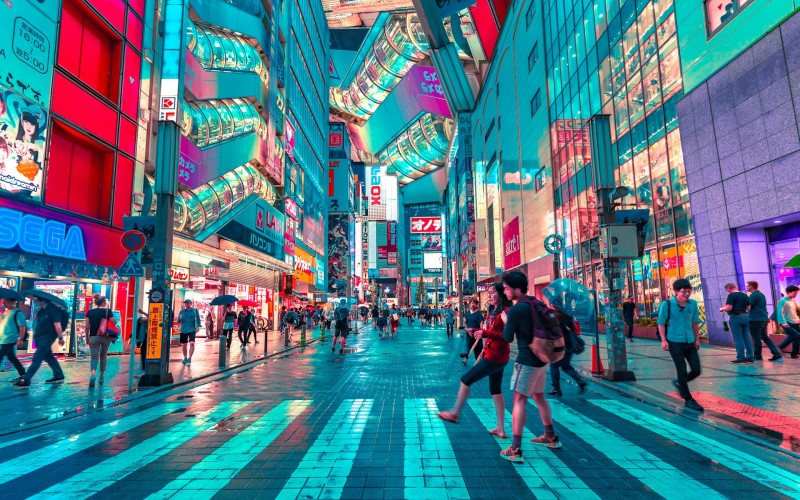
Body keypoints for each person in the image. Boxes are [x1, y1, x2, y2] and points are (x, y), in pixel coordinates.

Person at [500, 271, 562, 462]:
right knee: (539, 396)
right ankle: (550, 437)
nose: (505, 292)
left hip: (527, 360)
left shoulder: (518, 309)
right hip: (542, 358)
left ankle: (516, 449)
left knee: (519, 400)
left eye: (507, 288)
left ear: (517, 289)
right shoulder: (535, 302)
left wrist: (505, 321)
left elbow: (507, 337)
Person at [438, 282, 511, 438]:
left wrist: (485, 334)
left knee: (466, 379)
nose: (490, 296)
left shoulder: (505, 312)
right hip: (495, 354)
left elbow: (507, 337)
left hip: (496, 356)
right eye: (489, 293)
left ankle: (455, 413)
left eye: (493, 293)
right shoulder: (492, 311)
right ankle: (501, 428)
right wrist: (480, 335)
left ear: (501, 294)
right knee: (496, 390)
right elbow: (490, 333)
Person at [658, 279, 704, 412]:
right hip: (674, 342)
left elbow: (695, 322)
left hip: (690, 342)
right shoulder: (667, 304)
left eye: (689, 291)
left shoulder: (693, 304)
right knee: (682, 370)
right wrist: (663, 340)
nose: (687, 294)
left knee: (696, 370)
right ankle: (688, 399)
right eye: (684, 292)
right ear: (676, 291)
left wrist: (697, 339)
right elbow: (661, 323)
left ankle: (680, 383)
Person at [15, 297, 65, 387]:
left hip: (47, 337)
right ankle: (59, 374)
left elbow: (57, 324)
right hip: (39, 337)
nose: (35, 302)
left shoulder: (53, 310)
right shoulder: (40, 310)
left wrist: (60, 337)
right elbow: (36, 323)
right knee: (48, 356)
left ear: (43, 300)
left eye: (36, 300)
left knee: (37, 358)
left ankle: (26, 379)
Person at [547, 307, 587, 396]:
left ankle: (556, 388)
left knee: (554, 366)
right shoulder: (568, 315)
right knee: (565, 366)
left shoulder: (554, 316)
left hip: (559, 345)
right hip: (570, 344)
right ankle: (579, 380)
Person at [746, 281, 782, 361]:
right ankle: (776, 353)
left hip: (755, 319)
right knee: (765, 337)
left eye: (747, 286)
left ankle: (757, 356)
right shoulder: (761, 295)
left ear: (751, 286)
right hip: (763, 319)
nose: (746, 287)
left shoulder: (754, 295)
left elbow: (748, 307)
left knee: (756, 338)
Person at [720, 283, 754, 363]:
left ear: (728, 288)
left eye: (727, 290)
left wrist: (722, 309)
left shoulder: (731, 295)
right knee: (747, 337)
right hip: (745, 317)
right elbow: (748, 307)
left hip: (735, 318)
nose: (727, 291)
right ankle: (750, 357)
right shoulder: (745, 295)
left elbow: (729, 307)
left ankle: (741, 357)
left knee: (738, 338)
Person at [85, 295, 114, 386]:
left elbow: (86, 327)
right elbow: (113, 322)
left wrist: (87, 337)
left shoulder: (89, 312)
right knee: (103, 356)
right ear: (103, 303)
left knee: (94, 357)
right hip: (105, 336)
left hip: (93, 336)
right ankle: (101, 377)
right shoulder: (107, 311)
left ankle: (93, 374)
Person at [0, 296, 27, 383]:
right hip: (3, 339)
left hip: (10, 339)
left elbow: (22, 327)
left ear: (13, 302)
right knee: (11, 357)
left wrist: (20, 338)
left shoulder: (18, 313)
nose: (3, 302)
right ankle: (23, 374)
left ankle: (23, 375)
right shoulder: (5, 312)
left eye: (6, 301)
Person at [775, 285, 800, 358]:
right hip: (787, 322)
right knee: (796, 336)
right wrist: (783, 322)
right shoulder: (782, 301)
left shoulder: (793, 300)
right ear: (789, 292)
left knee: (796, 337)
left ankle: (794, 354)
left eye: (797, 293)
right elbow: (779, 312)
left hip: (795, 321)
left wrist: (798, 319)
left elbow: (794, 311)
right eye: (794, 292)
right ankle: (779, 347)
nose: (796, 294)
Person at [177, 299, 201, 364]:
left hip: (192, 329)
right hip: (184, 329)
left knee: (192, 343)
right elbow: (178, 321)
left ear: (191, 304)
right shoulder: (182, 311)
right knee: (184, 345)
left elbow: (198, 319)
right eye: (186, 303)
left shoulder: (195, 311)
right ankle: (185, 357)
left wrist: (198, 326)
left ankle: (189, 358)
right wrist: (180, 318)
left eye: (188, 303)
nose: (187, 304)